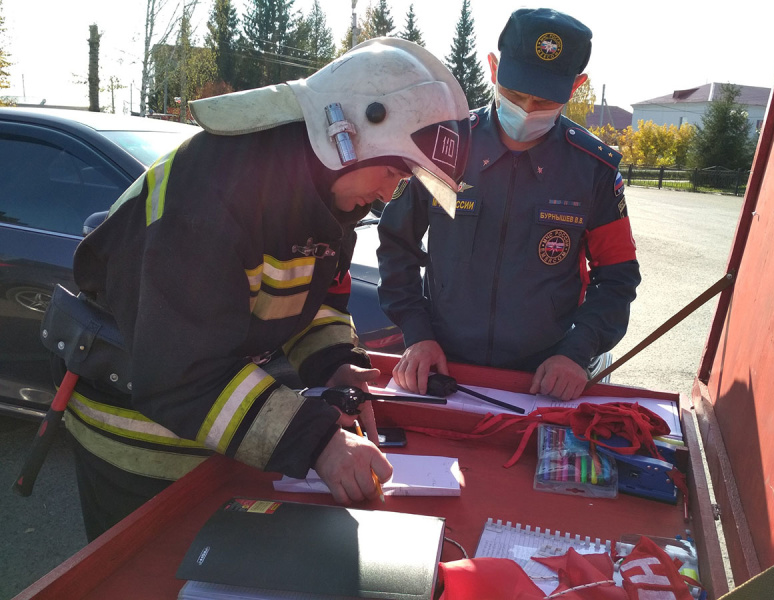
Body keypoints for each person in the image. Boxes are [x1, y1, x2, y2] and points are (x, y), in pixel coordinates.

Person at [54, 37, 470, 541]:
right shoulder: (206, 200)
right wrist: (320, 443)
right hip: (139, 449)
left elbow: (316, 305)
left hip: (222, 440)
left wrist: (339, 366)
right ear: (345, 134)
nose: (387, 195)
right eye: (392, 172)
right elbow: (185, 376)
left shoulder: (326, 200)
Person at [377, 8, 641, 402]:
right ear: (493, 67)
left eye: (545, 99)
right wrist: (417, 334)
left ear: (576, 85)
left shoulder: (594, 171)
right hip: (443, 365)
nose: (528, 111)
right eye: (515, 95)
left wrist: (576, 352)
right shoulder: (443, 149)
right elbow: (396, 245)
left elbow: (617, 276)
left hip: (543, 378)